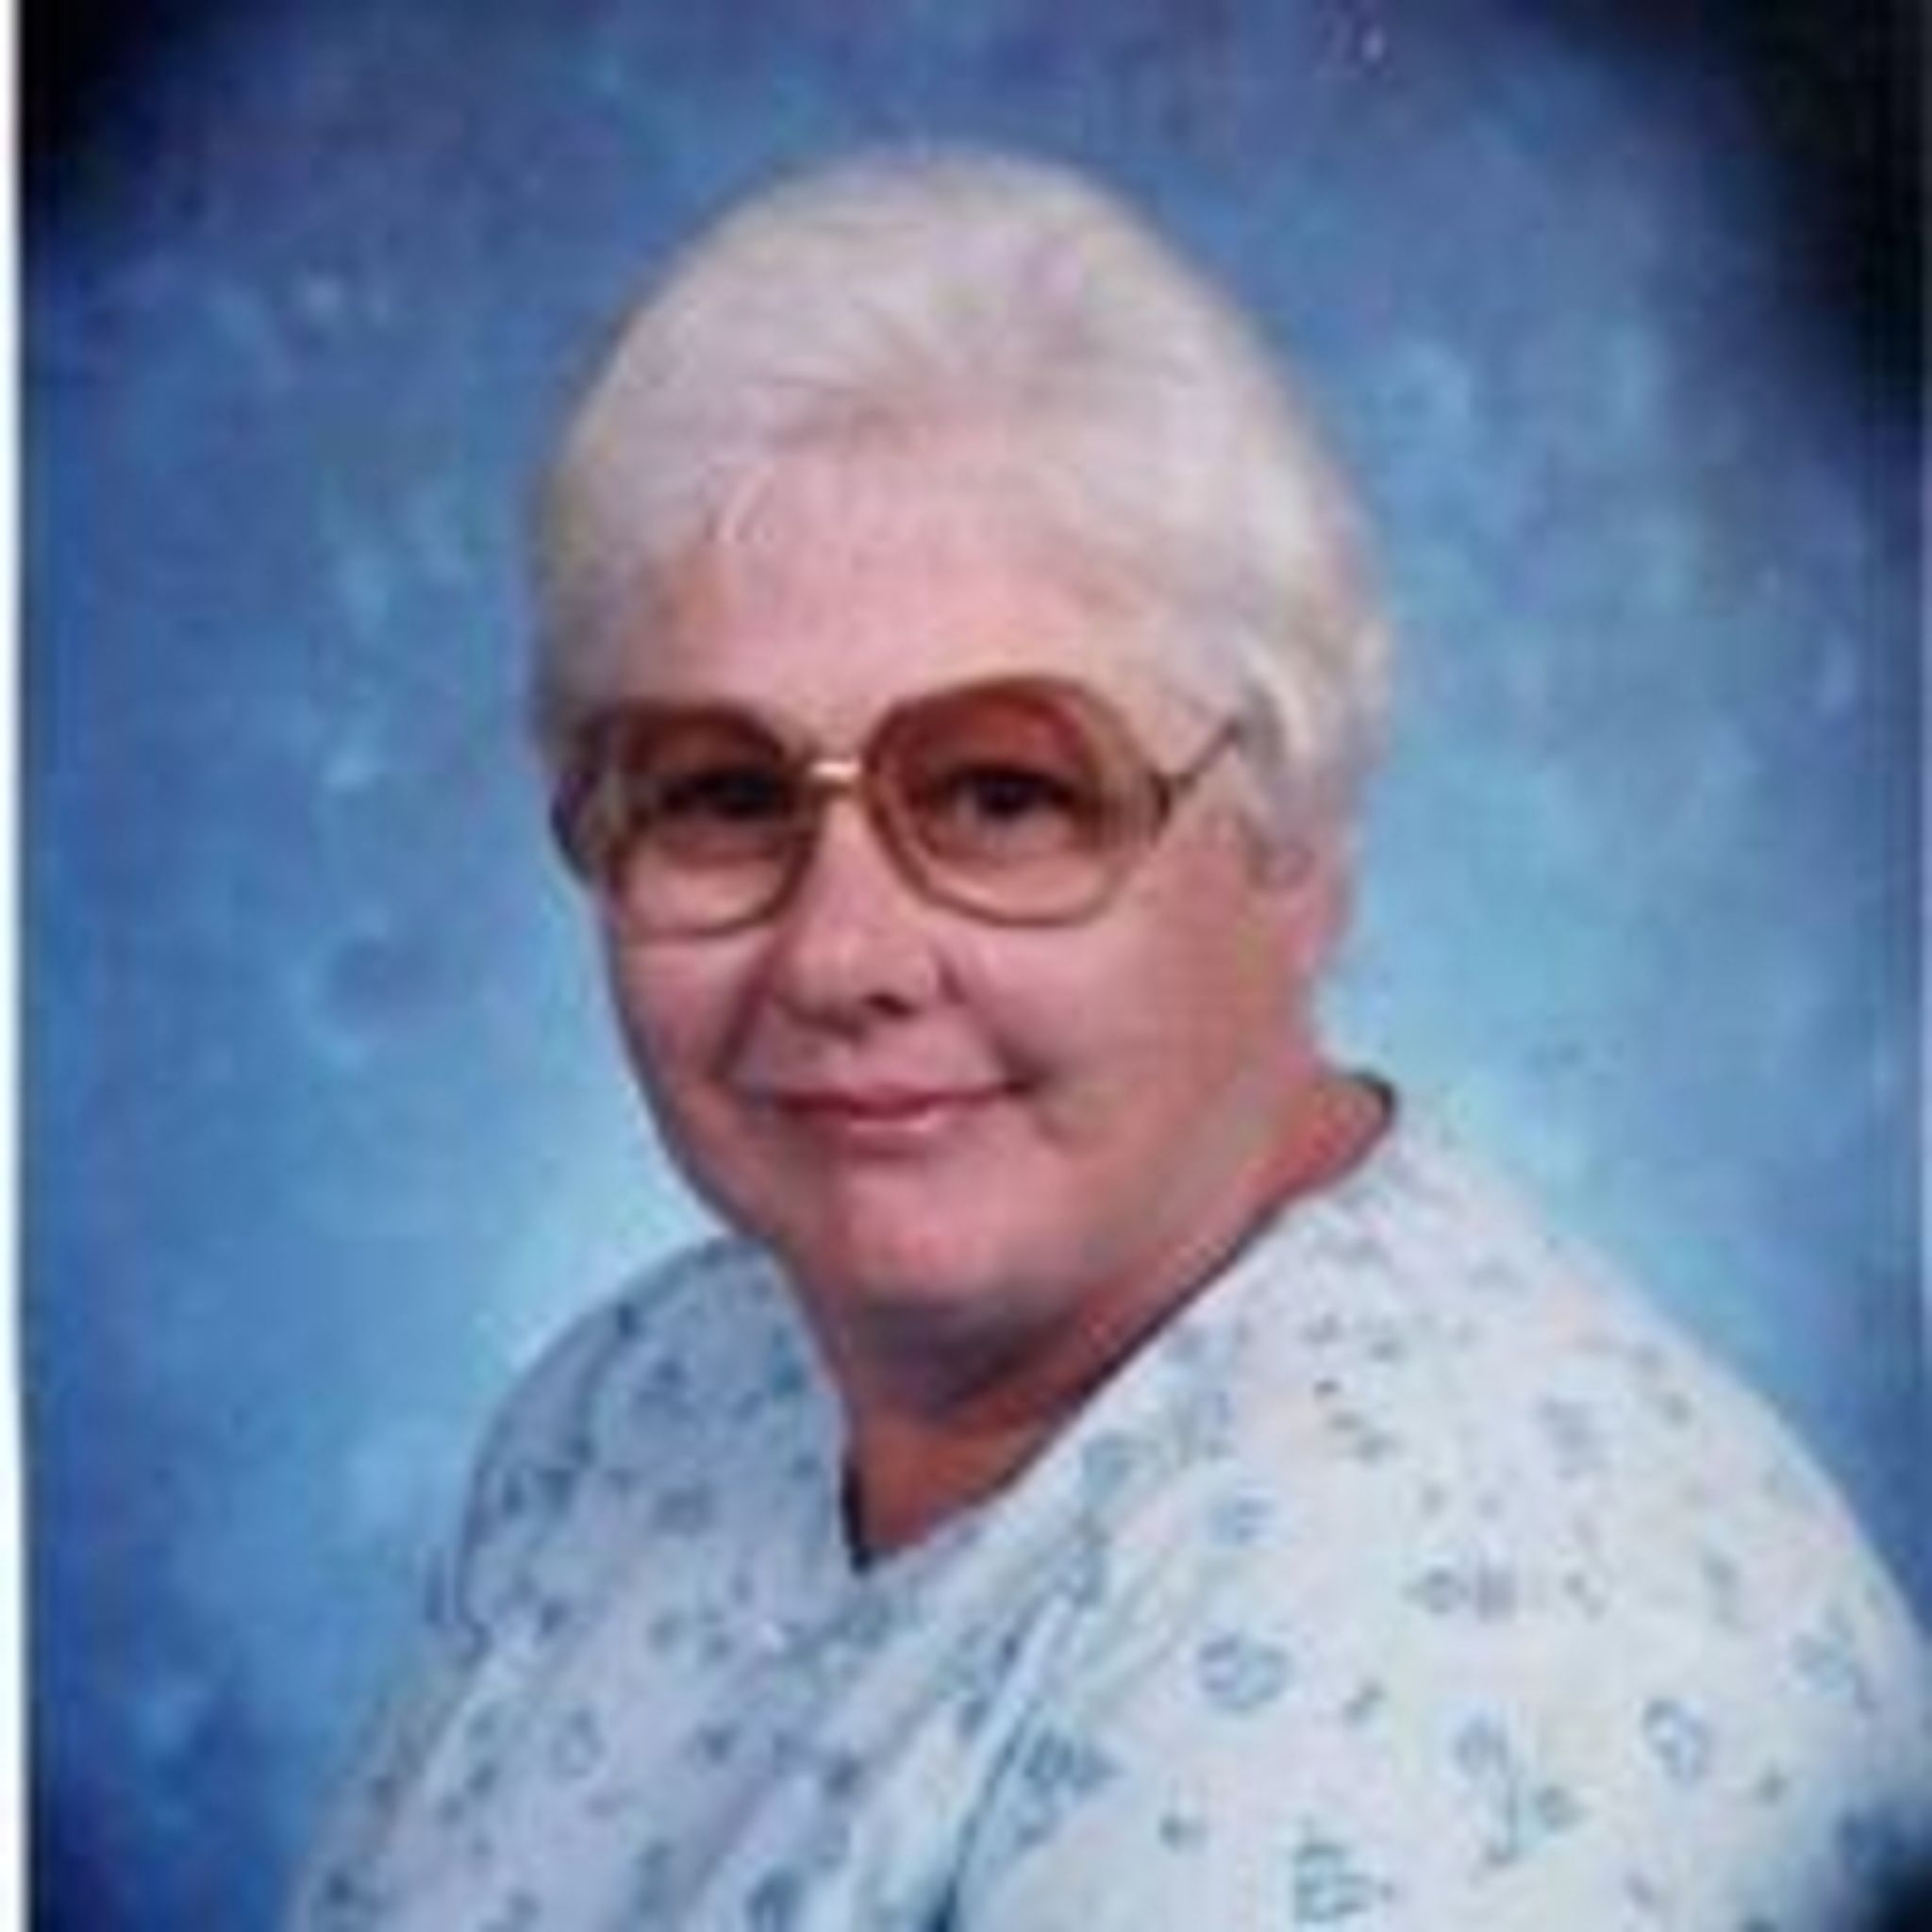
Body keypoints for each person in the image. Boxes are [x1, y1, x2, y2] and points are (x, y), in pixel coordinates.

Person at [287, 147, 1929, 1930]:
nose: (840, 956)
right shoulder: (644, 1394)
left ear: (1292, 842)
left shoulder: (1468, 1645)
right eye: (725, 796)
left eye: (1003, 796)